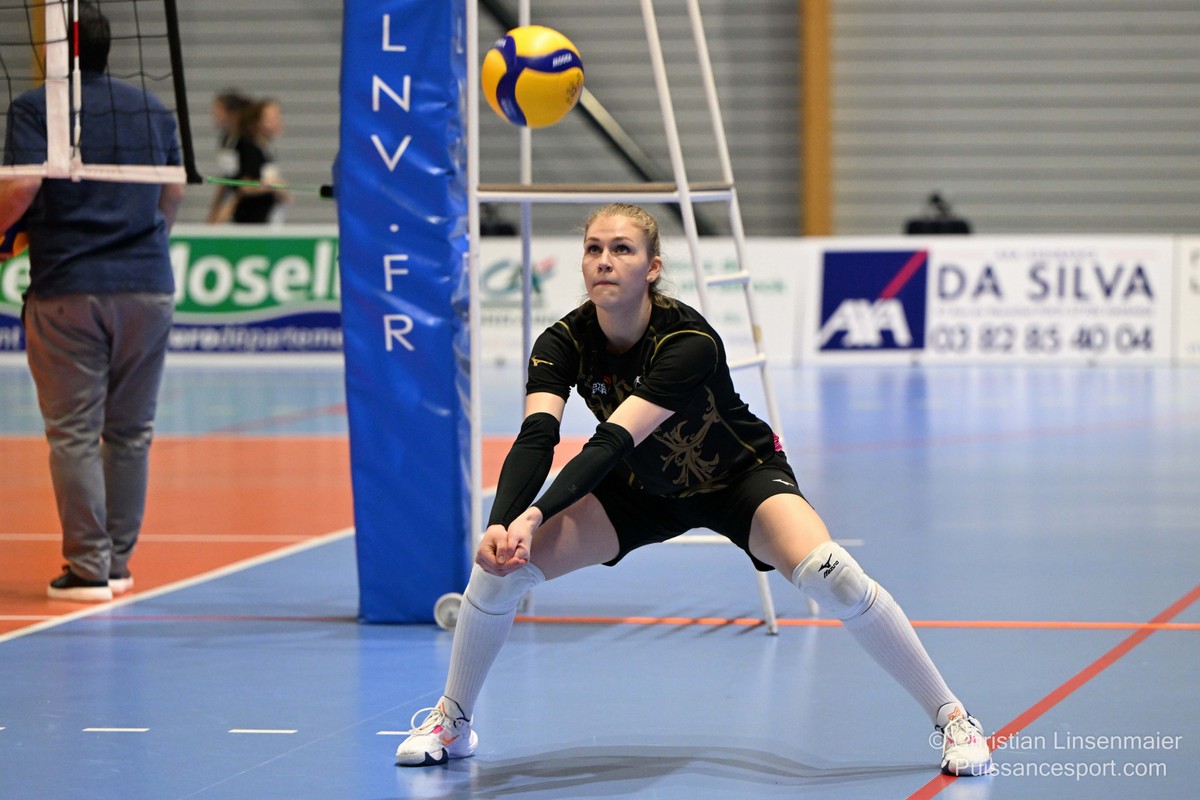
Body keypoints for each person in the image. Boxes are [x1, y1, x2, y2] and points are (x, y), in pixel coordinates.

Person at [394, 203, 994, 777]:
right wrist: (504, 523)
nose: (604, 261)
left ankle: (952, 717)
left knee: (830, 575)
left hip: (738, 479)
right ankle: (454, 721)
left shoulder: (687, 341)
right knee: (499, 572)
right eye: (594, 249)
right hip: (636, 492)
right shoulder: (562, 341)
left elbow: (612, 441)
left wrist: (537, 514)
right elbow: (536, 437)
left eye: (622, 249)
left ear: (652, 267)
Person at [0, 2, 185, 602]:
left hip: (69, 286)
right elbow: (173, 193)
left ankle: (86, 568)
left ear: (59, 49)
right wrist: (143, 246)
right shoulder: (154, 108)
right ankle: (117, 564)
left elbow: (22, 186)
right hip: (147, 287)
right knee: (130, 431)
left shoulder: (38, 108)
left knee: (74, 432)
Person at [213, 98, 290, 224]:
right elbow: (244, 185)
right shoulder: (249, 149)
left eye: (278, 116)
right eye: (271, 118)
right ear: (257, 122)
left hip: (265, 217)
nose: (277, 121)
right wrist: (273, 185)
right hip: (249, 220)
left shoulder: (266, 147)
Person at [205, 89, 251, 224]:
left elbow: (248, 181)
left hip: (250, 206)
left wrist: (229, 208)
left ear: (232, 113)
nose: (214, 114)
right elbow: (225, 178)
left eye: (218, 110)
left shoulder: (246, 141)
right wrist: (214, 210)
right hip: (233, 203)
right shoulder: (226, 139)